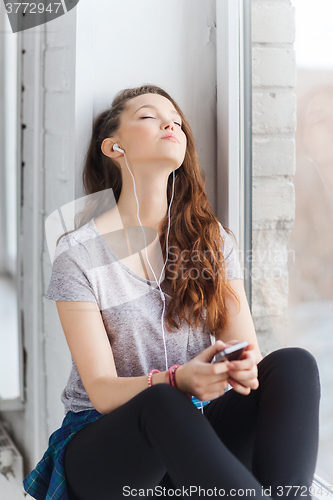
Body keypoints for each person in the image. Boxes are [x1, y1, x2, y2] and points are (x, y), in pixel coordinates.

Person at [23, 84, 321, 500]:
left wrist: (239, 367)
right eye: (148, 116)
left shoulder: (212, 241)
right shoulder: (78, 254)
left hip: (196, 438)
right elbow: (103, 390)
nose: (170, 124)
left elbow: (246, 354)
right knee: (164, 401)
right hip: (112, 446)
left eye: (177, 121)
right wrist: (178, 379)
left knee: (293, 365)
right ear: (114, 147)